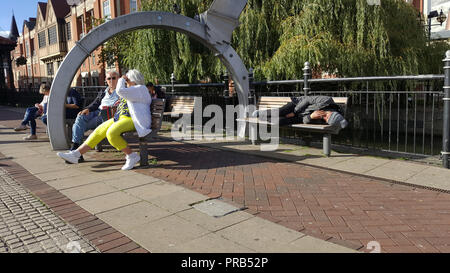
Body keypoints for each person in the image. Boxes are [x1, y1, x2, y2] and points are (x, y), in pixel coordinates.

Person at [57, 69, 152, 171]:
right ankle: (76, 154)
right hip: (121, 118)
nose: (126, 81)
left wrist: (121, 79)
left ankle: (131, 155)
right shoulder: (133, 90)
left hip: (134, 120)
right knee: (99, 131)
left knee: (111, 133)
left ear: (134, 80)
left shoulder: (140, 89)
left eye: (127, 79)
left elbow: (119, 91)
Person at [69, 71, 120, 161]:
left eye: (114, 78)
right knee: (80, 117)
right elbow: (96, 103)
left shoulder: (122, 91)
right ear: (106, 80)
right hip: (97, 111)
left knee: (78, 126)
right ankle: (75, 150)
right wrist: (88, 109)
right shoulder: (104, 91)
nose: (111, 80)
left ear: (118, 79)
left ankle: (75, 151)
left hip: (107, 115)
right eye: (109, 78)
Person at [254, 95, 348, 129]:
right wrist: (294, 112)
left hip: (300, 117)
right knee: (281, 111)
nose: (324, 117)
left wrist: (310, 117)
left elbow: (303, 120)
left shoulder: (322, 120)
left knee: (279, 121)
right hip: (297, 105)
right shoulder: (327, 100)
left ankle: (263, 117)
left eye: (326, 120)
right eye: (327, 116)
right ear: (333, 112)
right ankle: (260, 113)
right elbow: (307, 100)